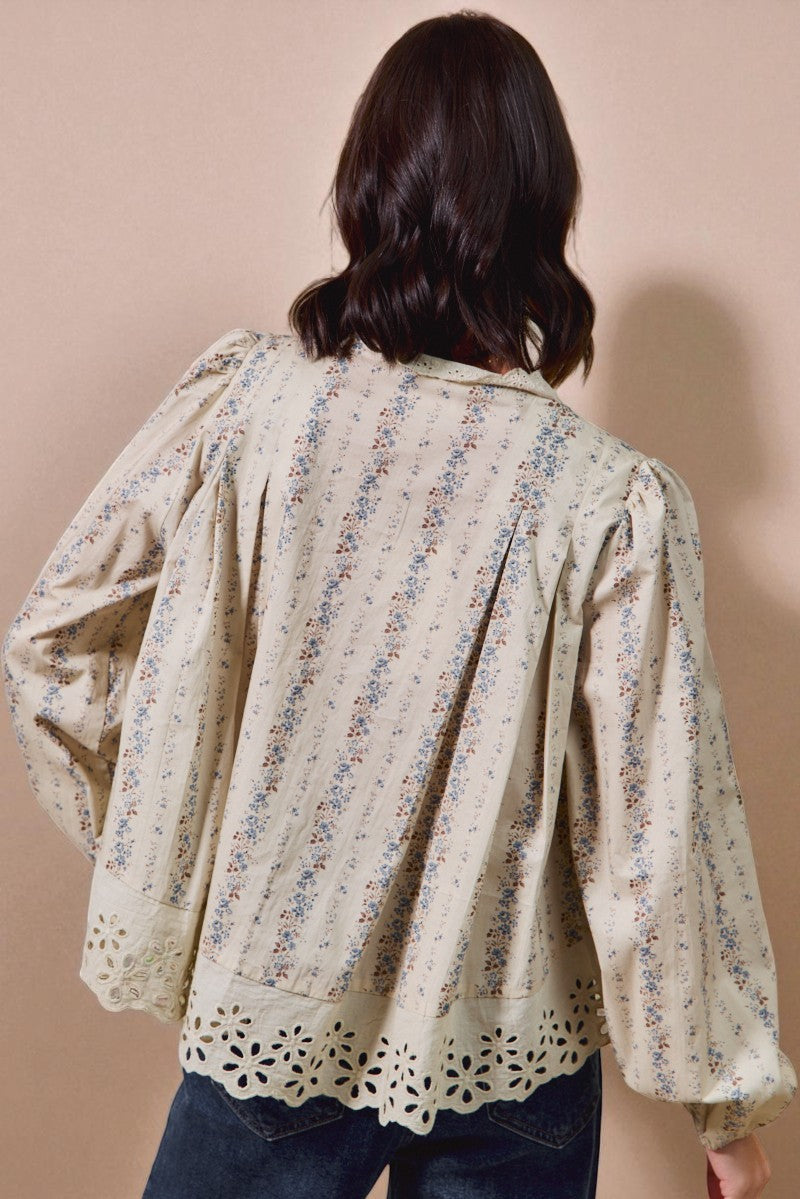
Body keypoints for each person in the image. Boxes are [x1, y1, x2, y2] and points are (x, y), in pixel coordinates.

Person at [1, 10, 795, 1199]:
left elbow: (56, 646)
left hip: (274, 1000)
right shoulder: (605, 498)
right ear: (543, 208)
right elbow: (655, 831)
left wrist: (186, 864)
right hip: (511, 1047)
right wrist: (722, 1108)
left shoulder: (248, 407)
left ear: (367, 184)